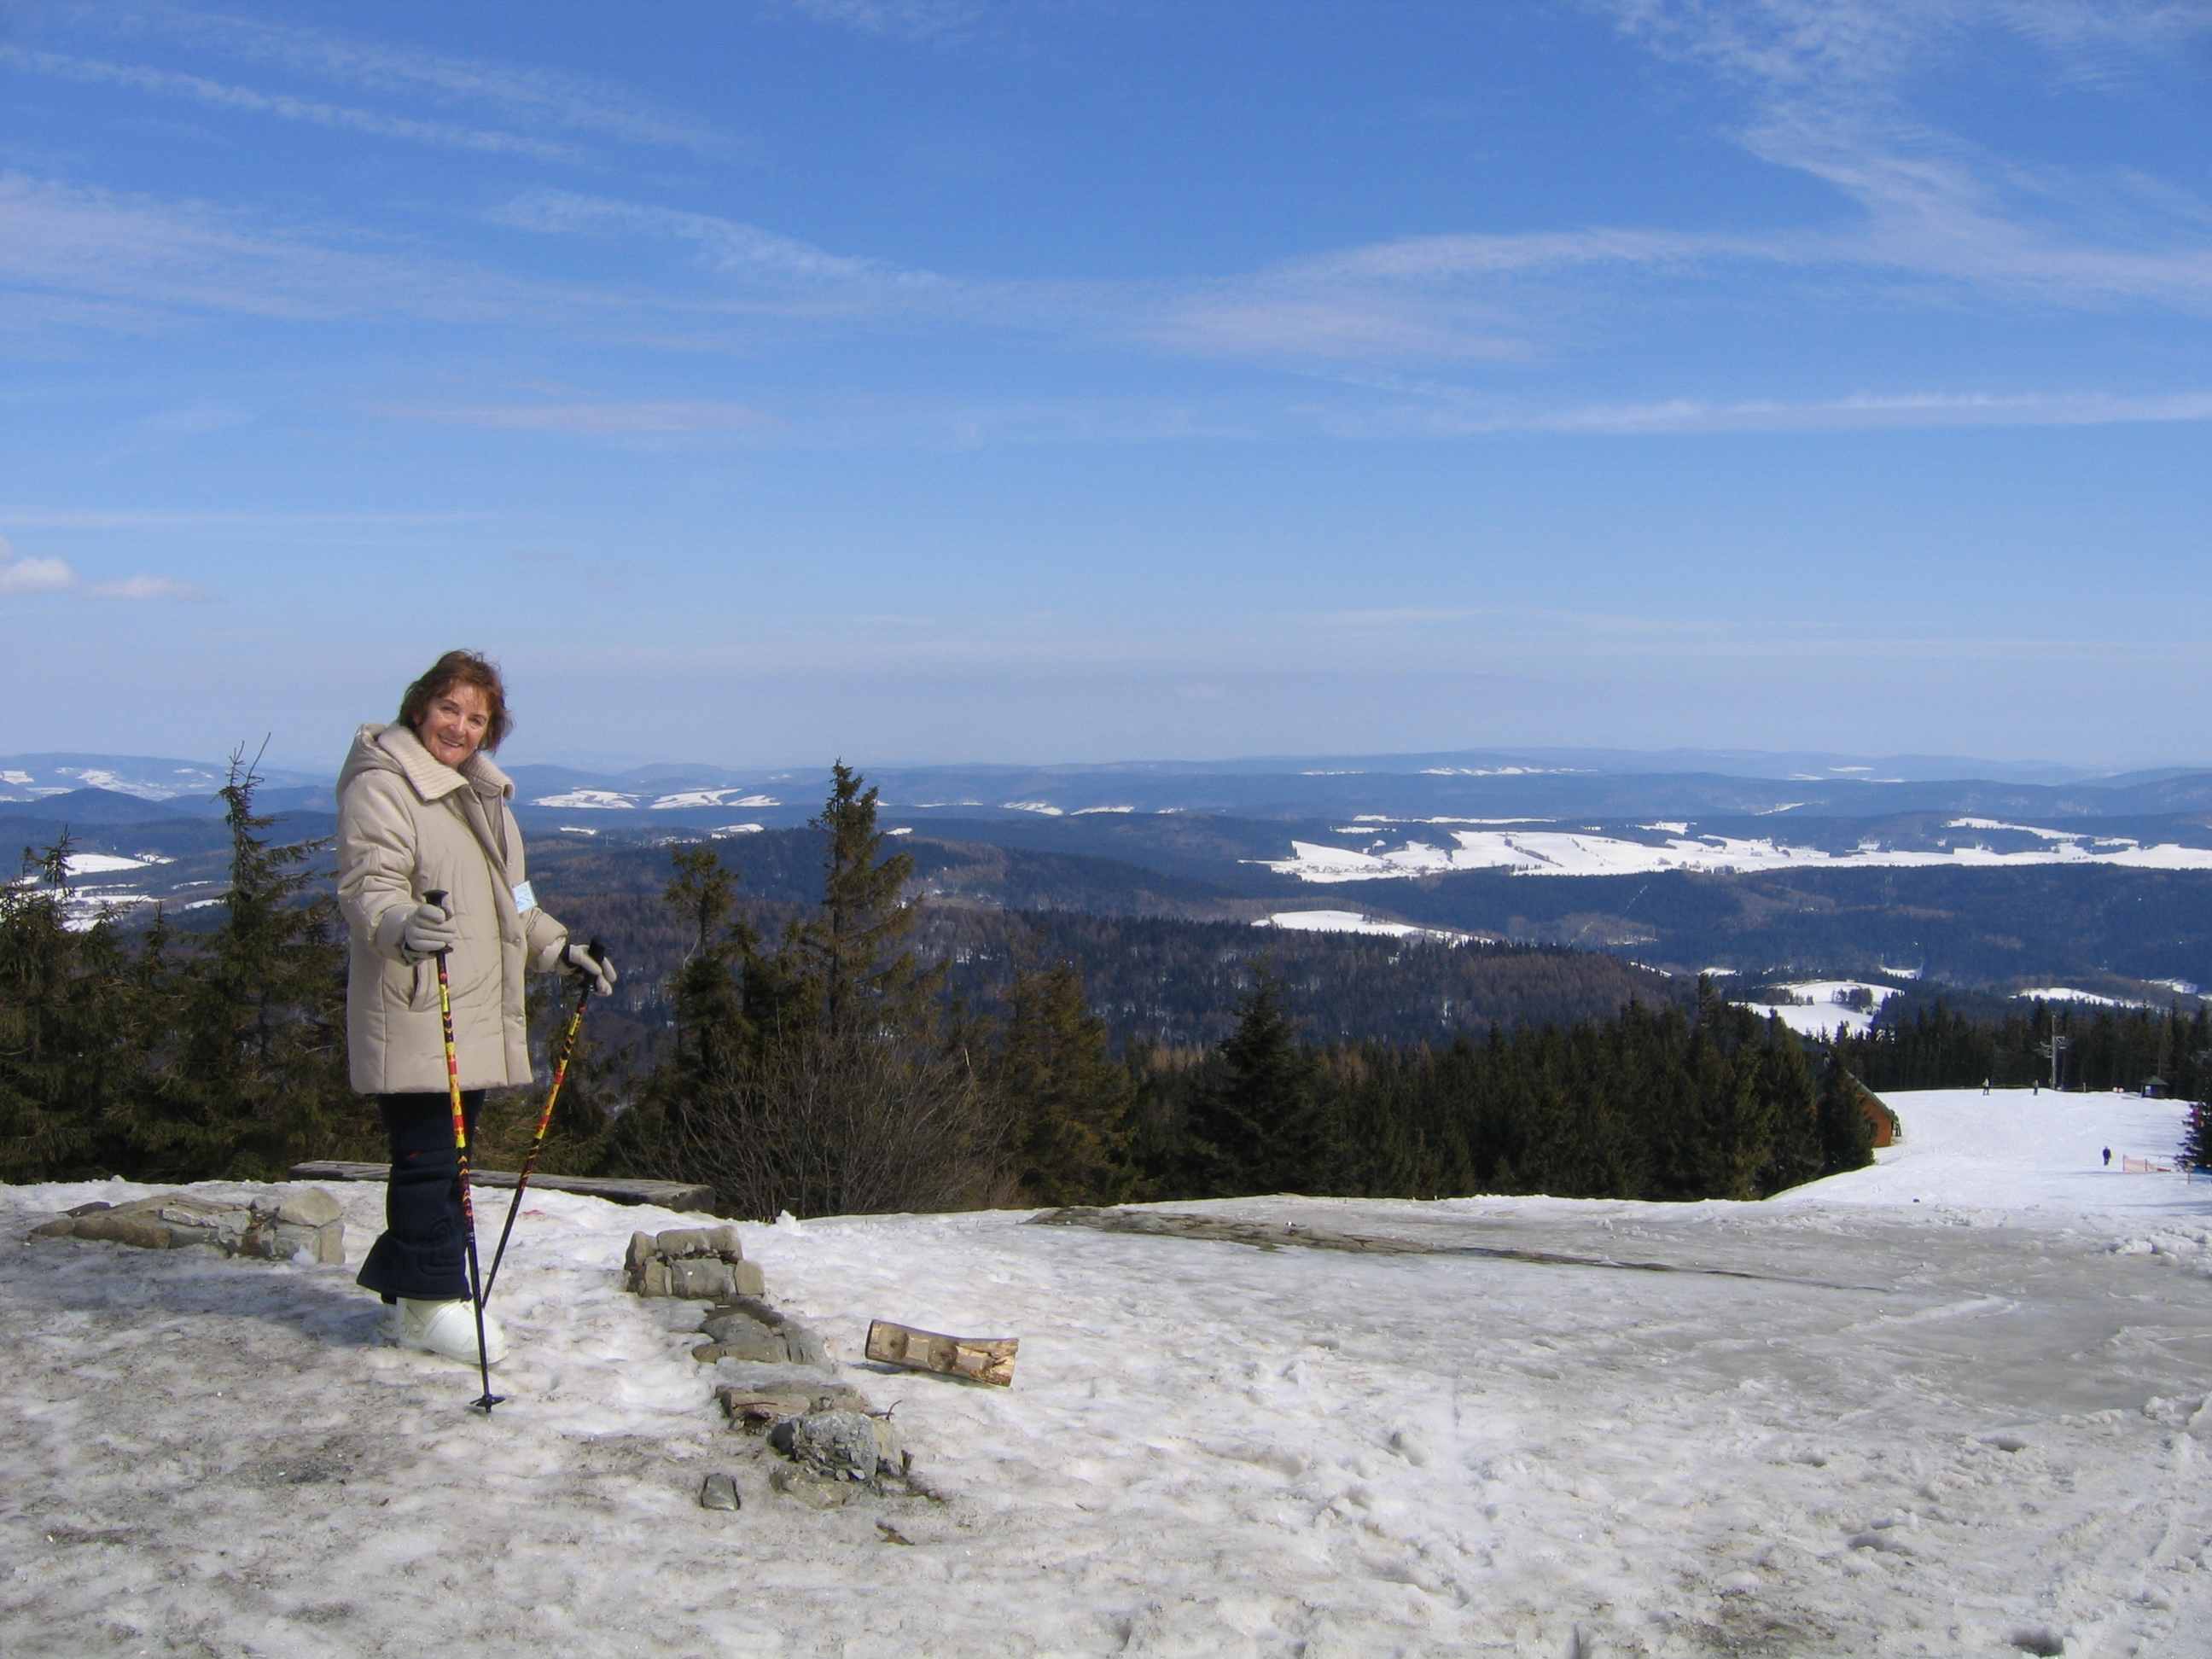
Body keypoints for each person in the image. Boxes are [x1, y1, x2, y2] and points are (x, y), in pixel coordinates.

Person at [335, 650, 616, 1365]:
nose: (460, 727)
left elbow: (514, 905)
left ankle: (409, 1297)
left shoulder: (483, 796)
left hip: (476, 1007)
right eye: (449, 709)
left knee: (445, 1160)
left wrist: (560, 949)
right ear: (419, 708)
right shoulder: (384, 783)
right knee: (431, 1159)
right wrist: (401, 925)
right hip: (419, 1003)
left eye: (477, 718)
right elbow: (370, 882)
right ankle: (431, 1306)